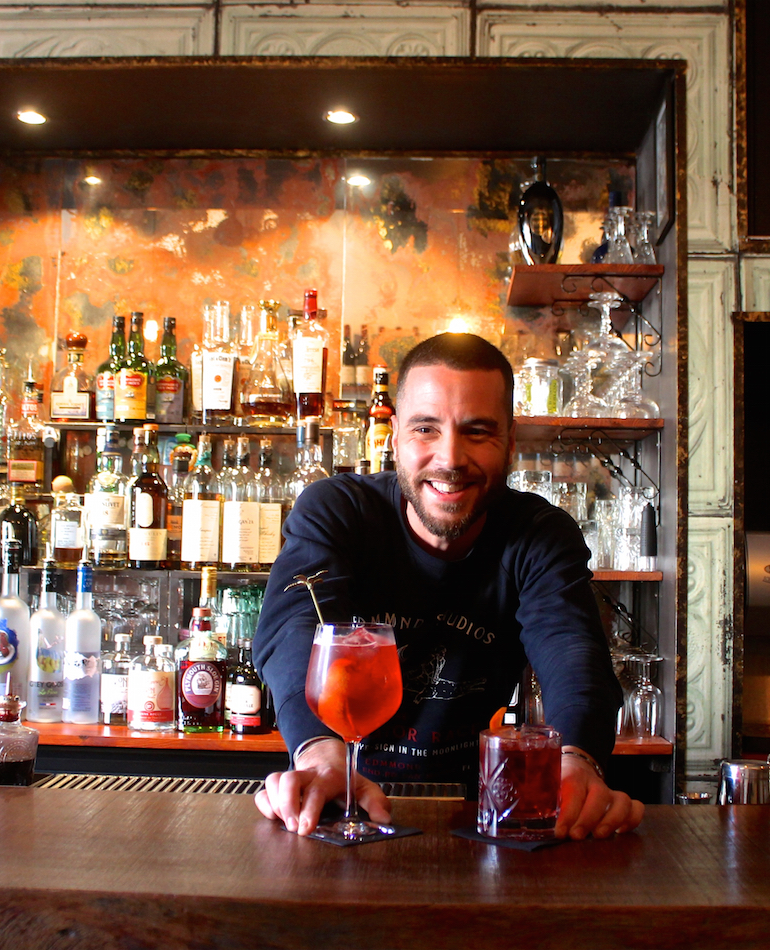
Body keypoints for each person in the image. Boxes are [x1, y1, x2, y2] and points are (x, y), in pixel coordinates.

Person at [253, 332, 644, 840]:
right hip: (338, 800)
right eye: (425, 429)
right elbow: (294, 628)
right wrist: (322, 754)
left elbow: (572, 649)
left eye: (478, 431)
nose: (451, 458)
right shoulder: (338, 511)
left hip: (475, 816)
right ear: (394, 435)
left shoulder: (538, 533)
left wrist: (574, 761)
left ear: (511, 440)